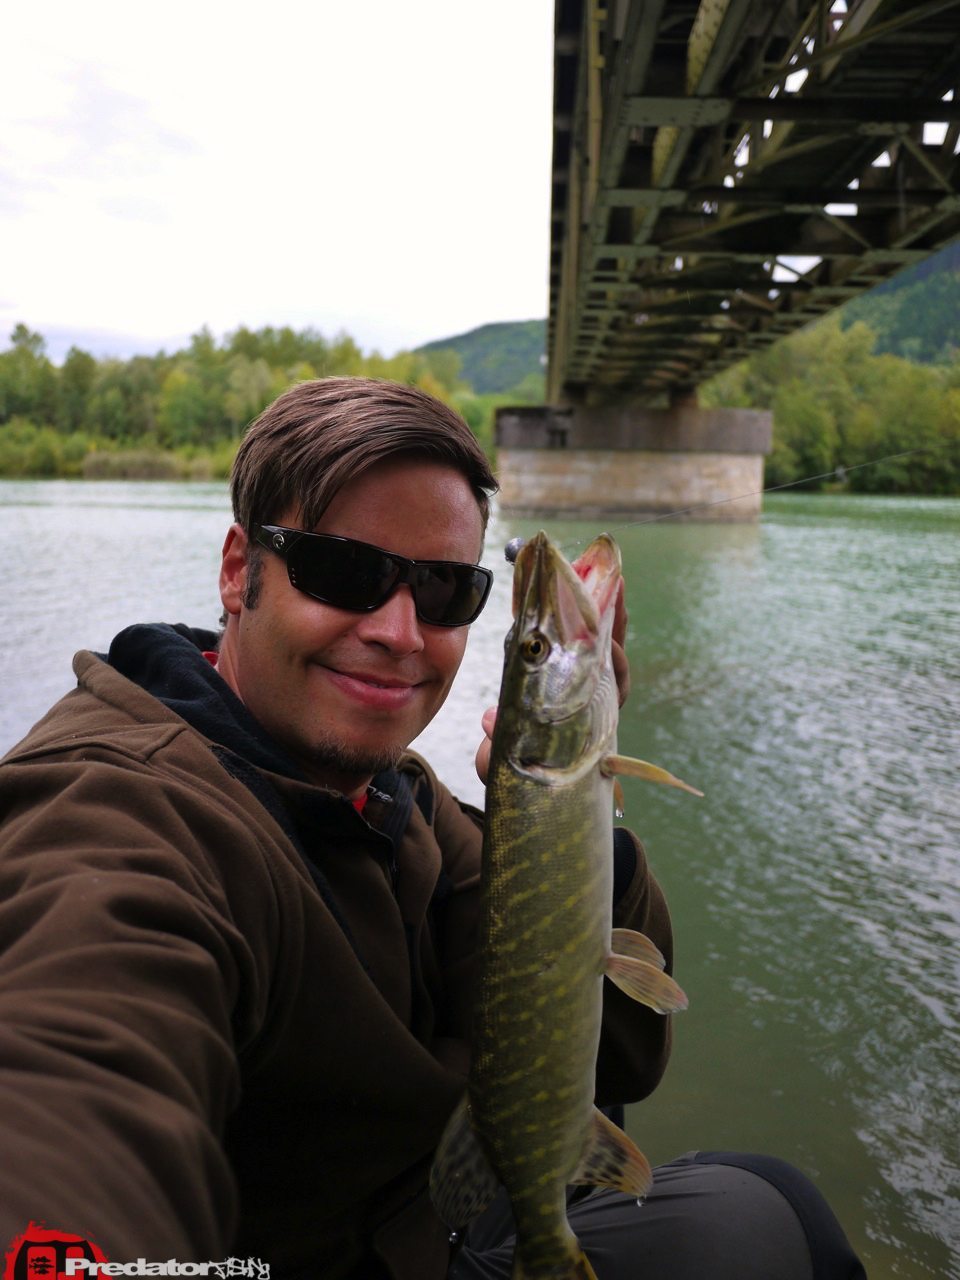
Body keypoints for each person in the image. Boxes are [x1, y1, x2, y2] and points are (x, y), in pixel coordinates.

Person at [0, 377, 864, 1279]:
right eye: (343, 570)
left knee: (773, 1213)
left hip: (437, 1225)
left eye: (447, 588)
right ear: (236, 570)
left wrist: (576, 824)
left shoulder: (394, 801)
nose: (401, 632)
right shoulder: (114, 823)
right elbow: (73, 1078)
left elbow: (620, 1057)